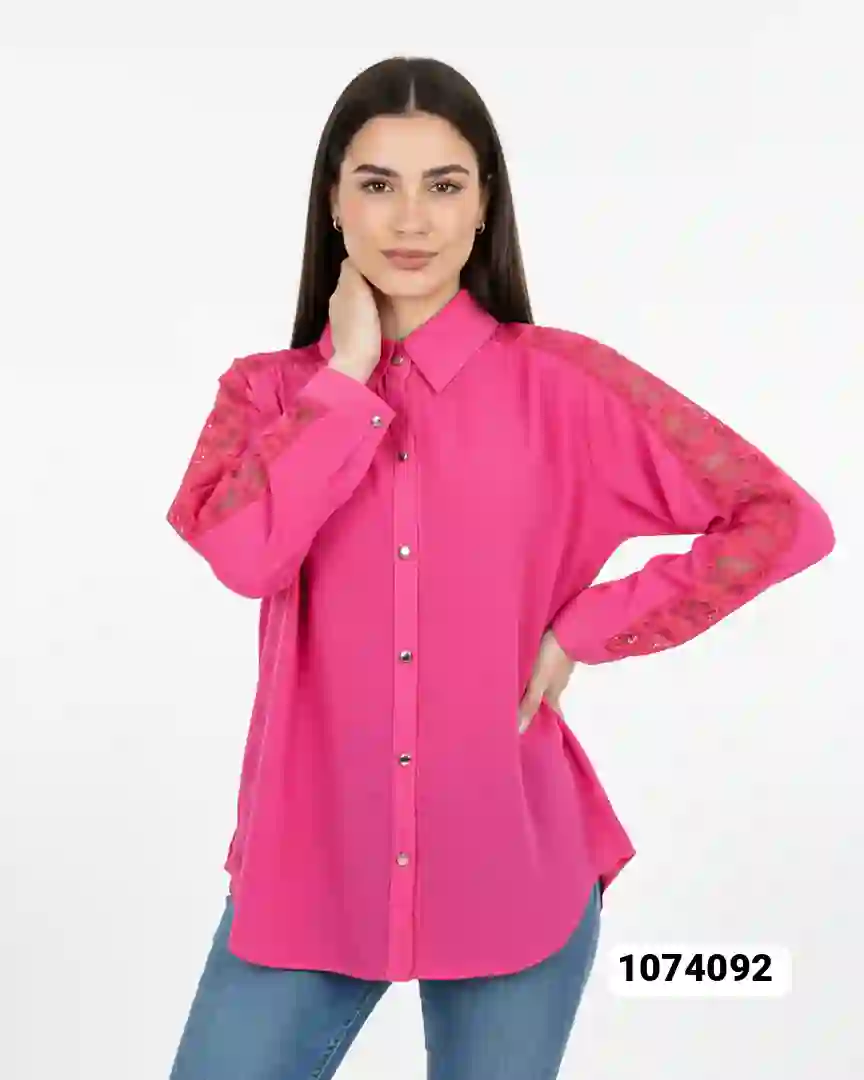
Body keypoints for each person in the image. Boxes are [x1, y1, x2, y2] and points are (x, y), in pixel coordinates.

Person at [164, 55, 835, 1080]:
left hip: (514, 868)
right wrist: (347, 378)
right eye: (377, 184)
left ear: (485, 207)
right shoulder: (266, 397)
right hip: (309, 872)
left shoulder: (567, 385)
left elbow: (781, 519)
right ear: (334, 205)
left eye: (444, 185)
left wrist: (586, 629)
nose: (411, 219)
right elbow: (243, 554)